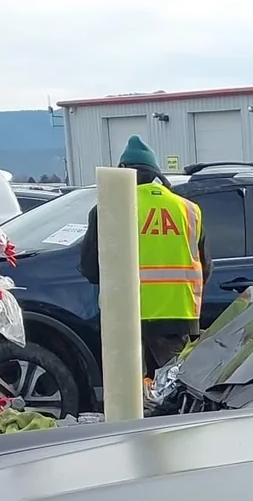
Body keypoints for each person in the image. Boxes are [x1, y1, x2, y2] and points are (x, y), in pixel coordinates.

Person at [78, 135, 211, 371]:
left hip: (127, 312)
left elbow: (91, 268)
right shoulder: (189, 209)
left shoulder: (111, 208)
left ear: (123, 171)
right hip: (178, 314)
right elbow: (205, 266)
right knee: (174, 382)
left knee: (129, 385)